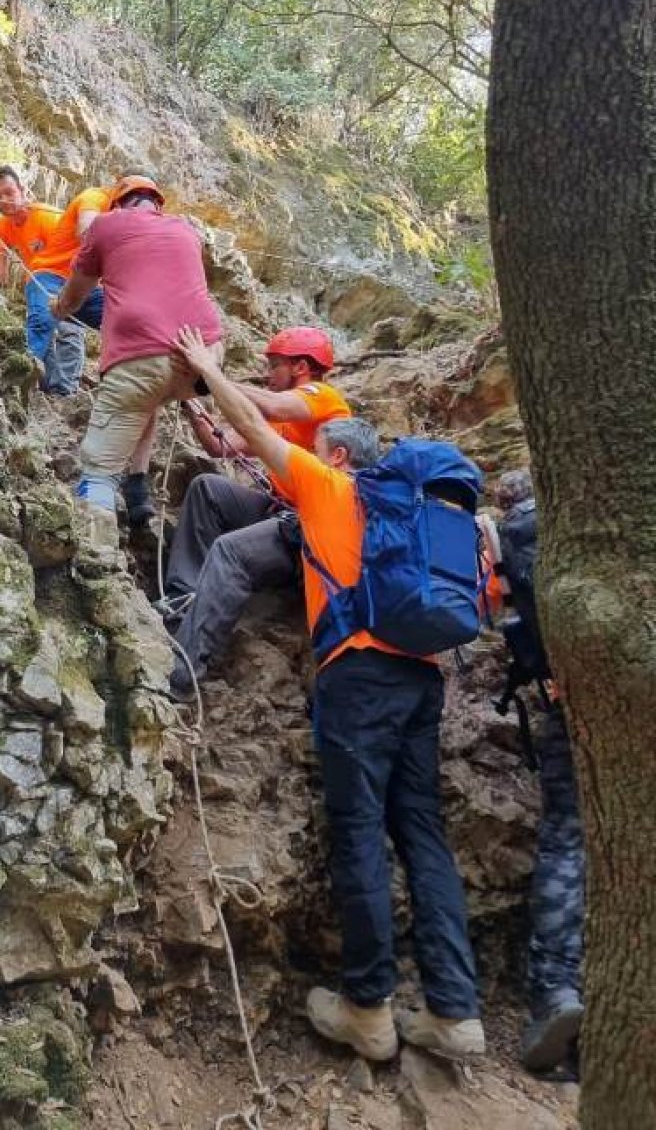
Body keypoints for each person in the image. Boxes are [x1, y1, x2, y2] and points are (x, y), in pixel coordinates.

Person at [170, 326, 485, 1063]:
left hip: (357, 677)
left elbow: (255, 426)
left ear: (339, 454)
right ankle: (455, 1013)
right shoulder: (405, 517)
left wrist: (211, 369)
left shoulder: (328, 485)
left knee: (359, 832)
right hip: (421, 676)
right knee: (423, 837)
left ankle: (368, 1010)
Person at [162, 327, 351, 697]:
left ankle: (185, 671)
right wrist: (191, 401)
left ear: (300, 367)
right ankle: (184, 597)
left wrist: (210, 374)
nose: (268, 373)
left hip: (309, 525)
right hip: (276, 511)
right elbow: (221, 446)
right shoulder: (278, 418)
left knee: (231, 551)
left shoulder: (322, 398)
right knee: (208, 489)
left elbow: (273, 405)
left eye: (274, 365)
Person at [50, 177, 222, 539]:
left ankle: (98, 556)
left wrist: (59, 309)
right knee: (151, 398)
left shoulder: (106, 224)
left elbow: (76, 295)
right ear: (156, 204)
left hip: (140, 357)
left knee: (99, 468)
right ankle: (138, 489)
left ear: (118, 203)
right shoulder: (186, 230)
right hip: (205, 356)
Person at [493, 468, 585, 1073]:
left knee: (566, 843)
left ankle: (556, 991)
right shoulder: (579, 531)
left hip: (567, 712)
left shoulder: (510, 543)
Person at [0, 165, 107, 395]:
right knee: (42, 321)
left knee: (69, 328)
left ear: (23, 191)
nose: (4, 199)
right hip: (42, 279)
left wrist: (75, 292)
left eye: (9, 192)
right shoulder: (1, 227)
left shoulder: (47, 217)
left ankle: (64, 391)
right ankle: (32, 380)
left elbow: (84, 251)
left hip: (75, 277)